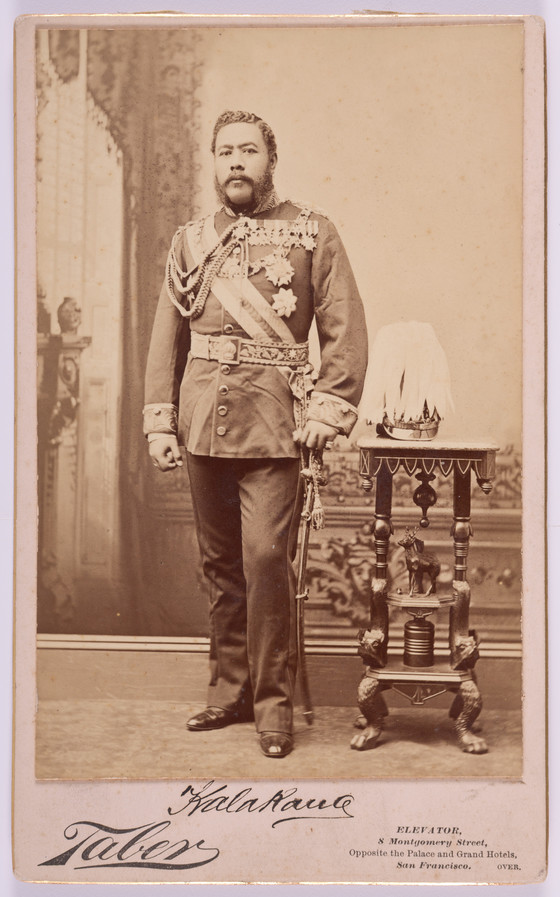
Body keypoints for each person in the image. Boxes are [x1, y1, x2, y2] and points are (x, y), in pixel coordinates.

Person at [143, 110, 368, 758]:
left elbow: (344, 329)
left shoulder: (312, 232)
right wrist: (160, 419)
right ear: (214, 163)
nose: (236, 161)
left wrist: (326, 409)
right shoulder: (191, 241)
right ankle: (230, 690)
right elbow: (167, 338)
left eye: (248, 150)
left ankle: (273, 704)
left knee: (266, 560)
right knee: (218, 564)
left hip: (276, 426)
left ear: (271, 159)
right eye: (225, 152)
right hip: (201, 423)